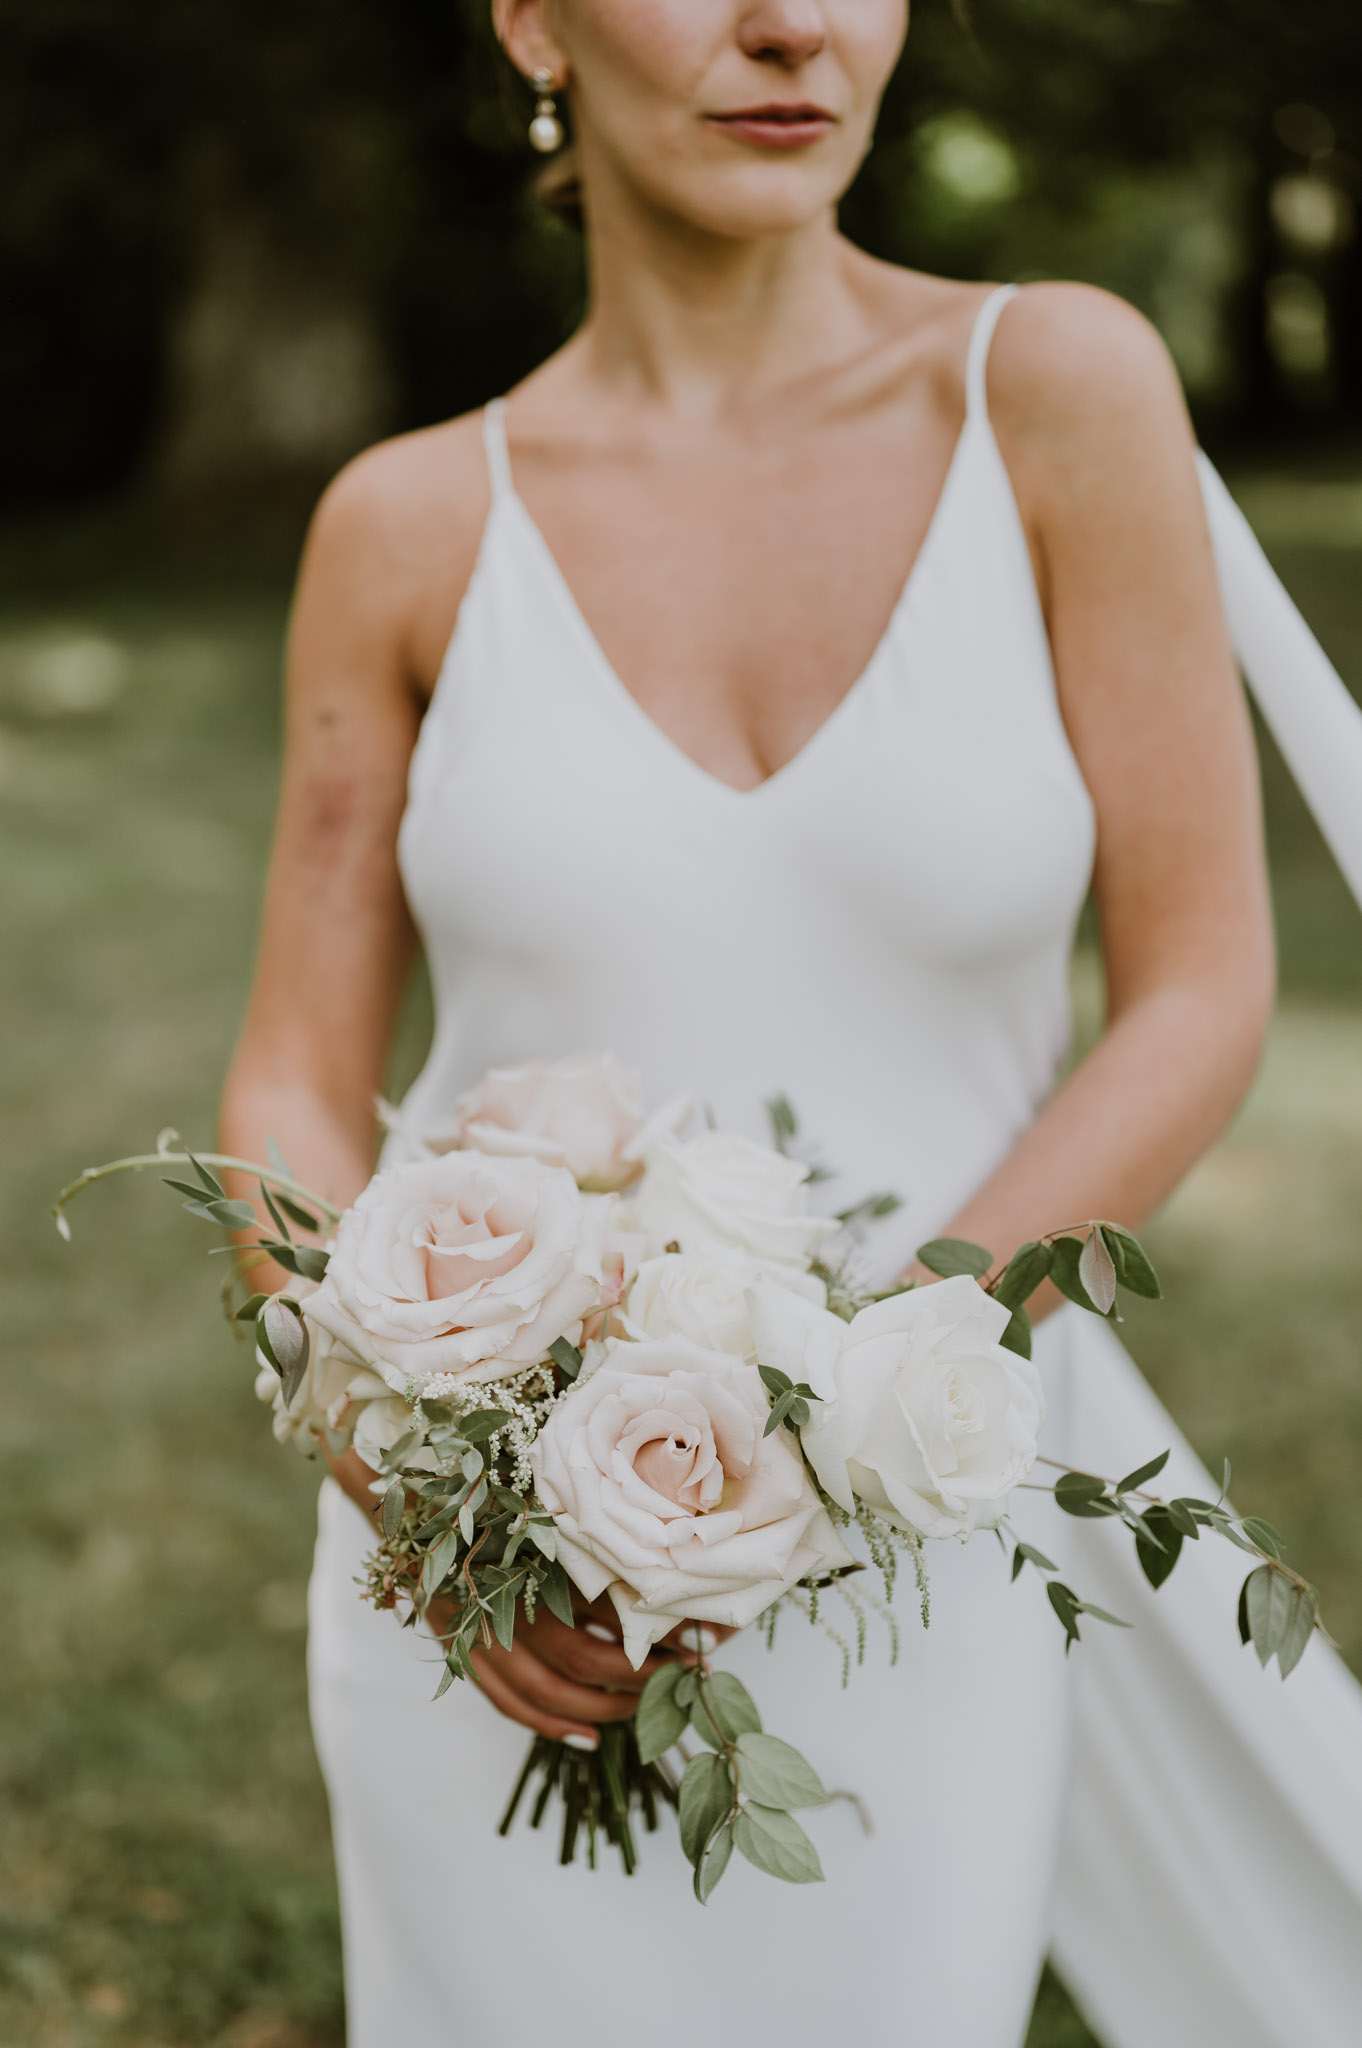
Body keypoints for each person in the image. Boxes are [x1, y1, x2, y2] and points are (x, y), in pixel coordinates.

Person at [217, 3, 1362, 2042]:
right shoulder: (401, 523)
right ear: (530, 22)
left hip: (930, 1512)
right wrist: (397, 1462)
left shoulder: (1059, 390)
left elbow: (1196, 990)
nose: (791, 24)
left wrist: (866, 1389)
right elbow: (298, 1076)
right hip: (496, 1587)